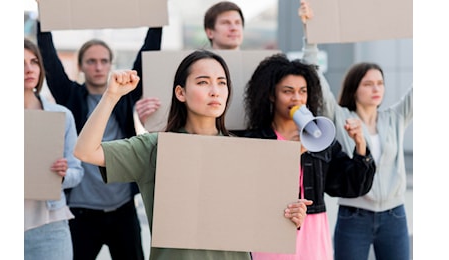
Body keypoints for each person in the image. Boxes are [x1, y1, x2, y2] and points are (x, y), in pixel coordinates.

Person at [74, 49, 312, 260]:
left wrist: (290, 217)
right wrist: (112, 96)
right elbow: (85, 151)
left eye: (221, 82)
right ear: (181, 92)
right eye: (203, 82)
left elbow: (261, 218)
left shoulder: (244, 152)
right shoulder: (155, 147)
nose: (215, 91)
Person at [36, 16, 162, 259]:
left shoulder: (124, 98)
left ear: (110, 65)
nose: (98, 66)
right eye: (91, 61)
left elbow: (147, 55)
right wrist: (46, 15)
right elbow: (48, 57)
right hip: (81, 213)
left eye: (104, 61)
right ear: (81, 66)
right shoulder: (70, 96)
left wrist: (156, 18)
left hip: (122, 209)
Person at [299, 2, 413, 259]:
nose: (377, 88)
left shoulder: (394, 117)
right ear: (354, 88)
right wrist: (310, 35)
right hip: (354, 216)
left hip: (394, 215)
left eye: (380, 83)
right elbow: (313, 75)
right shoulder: (339, 116)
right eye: (369, 83)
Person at [242, 53, 377, 260]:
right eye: (288, 91)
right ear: (271, 95)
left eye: (303, 91)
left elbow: (351, 186)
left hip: (313, 238)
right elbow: (249, 191)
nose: (297, 98)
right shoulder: (255, 140)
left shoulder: (321, 139)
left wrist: (360, 145)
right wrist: (292, 153)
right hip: (271, 234)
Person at [135, 1, 244, 125]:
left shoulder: (263, 70)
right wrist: (150, 119)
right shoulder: (189, 66)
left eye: (238, 23)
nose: (234, 28)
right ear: (210, 32)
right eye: (226, 23)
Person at [24, 38, 84, 260]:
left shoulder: (61, 116)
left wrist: (62, 174)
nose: (29, 69)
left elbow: (77, 173)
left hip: (50, 225)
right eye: (20, 63)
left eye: (34, 62)